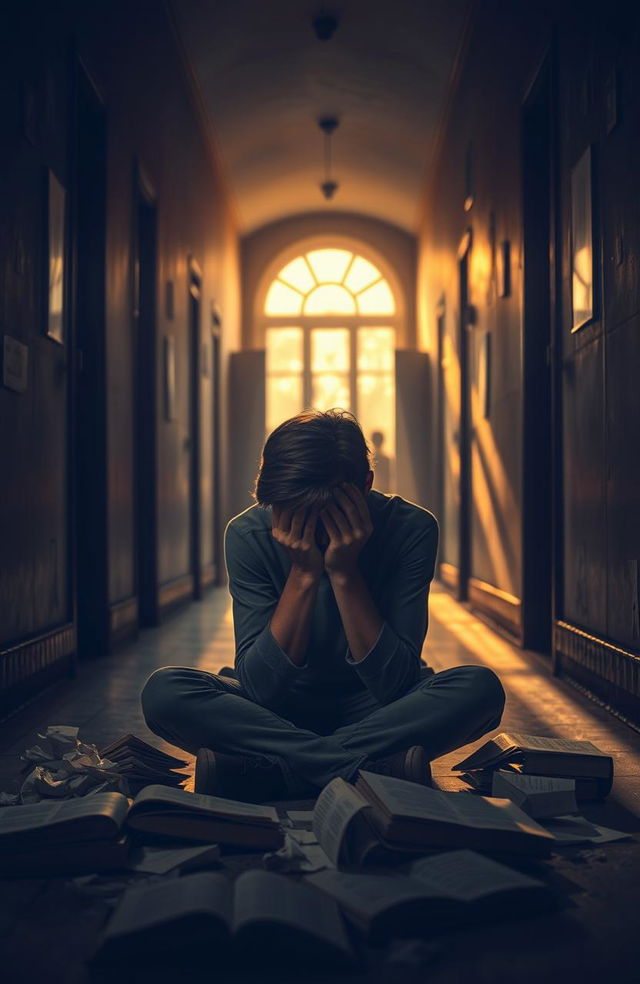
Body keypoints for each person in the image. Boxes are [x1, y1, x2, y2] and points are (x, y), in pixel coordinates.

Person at [142, 409, 505, 802]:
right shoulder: (248, 534)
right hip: (273, 715)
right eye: (290, 509)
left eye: (323, 511)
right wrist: (303, 574)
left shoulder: (411, 528)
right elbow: (261, 689)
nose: (306, 527)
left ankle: (277, 771)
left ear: (365, 485)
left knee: (479, 688)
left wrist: (345, 573)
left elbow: (393, 683)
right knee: (165, 691)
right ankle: (369, 769)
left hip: (380, 712)